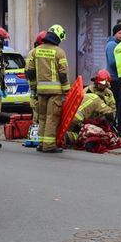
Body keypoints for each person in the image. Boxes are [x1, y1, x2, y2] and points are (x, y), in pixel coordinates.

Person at [26, 24, 70, 153]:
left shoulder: (36, 51)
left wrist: (34, 88)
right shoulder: (59, 52)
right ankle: (49, 145)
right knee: (52, 117)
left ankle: (41, 143)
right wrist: (66, 90)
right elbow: (63, 74)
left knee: (43, 117)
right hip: (55, 92)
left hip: (40, 91)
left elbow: (30, 72)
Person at [106, 24, 121, 129]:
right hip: (114, 79)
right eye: (120, 33)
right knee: (116, 103)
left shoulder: (116, 44)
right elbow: (112, 62)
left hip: (116, 78)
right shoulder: (112, 45)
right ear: (115, 34)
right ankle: (114, 125)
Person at [27, 31, 47, 129]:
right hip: (42, 89)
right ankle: (38, 135)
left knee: (38, 113)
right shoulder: (53, 52)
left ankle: (37, 136)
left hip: (37, 88)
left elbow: (29, 72)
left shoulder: (32, 53)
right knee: (42, 114)